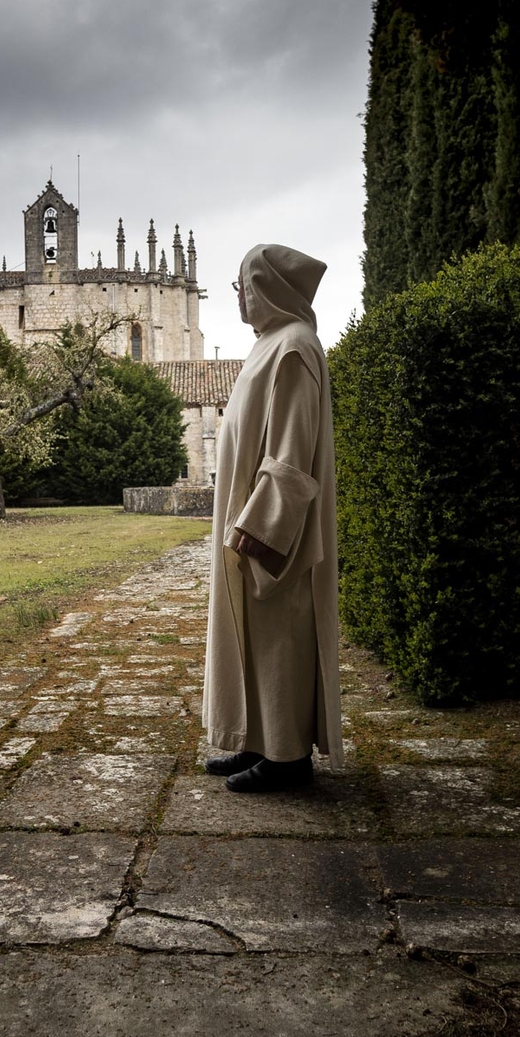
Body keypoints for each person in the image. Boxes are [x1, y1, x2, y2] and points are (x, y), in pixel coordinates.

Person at [201, 243, 343, 792]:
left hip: (276, 528)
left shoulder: (294, 349)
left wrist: (261, 528)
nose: (238, 294)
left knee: (281, 633)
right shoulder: (269, 344)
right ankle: (259, 741)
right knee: (254, 638)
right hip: (246, 517)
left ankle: (287, 759)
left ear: (267, 286)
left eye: (243, 283)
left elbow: (289, 453)